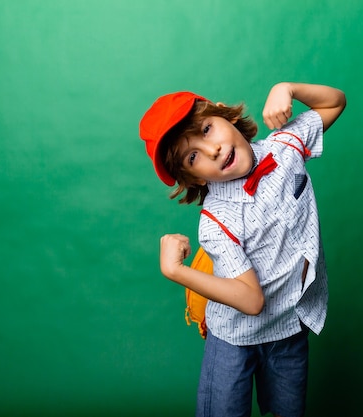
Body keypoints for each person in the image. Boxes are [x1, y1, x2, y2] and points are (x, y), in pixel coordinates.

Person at [139, 82, 346, 417]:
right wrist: (176, 270)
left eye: (207, 130)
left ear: (224, 114)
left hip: (287, 327)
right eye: (193, 157)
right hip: (234, 337)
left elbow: (334, 103)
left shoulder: (285, 148)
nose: (213, 150)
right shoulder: (217, 220)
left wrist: (287, 89)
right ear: (195, 180)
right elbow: (251, 300)